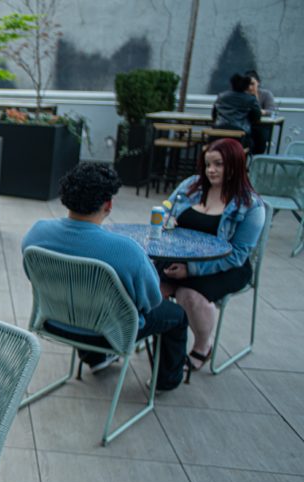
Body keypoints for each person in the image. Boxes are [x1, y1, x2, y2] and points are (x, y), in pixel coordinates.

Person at [22, 162, 189, 390]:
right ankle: (166, 381)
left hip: (54, 322)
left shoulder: (37, 233)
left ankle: (96, 358)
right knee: (177, 315)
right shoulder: (126, 251)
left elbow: (32, 276)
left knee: (83, 297)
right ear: (108, 204)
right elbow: (152, 300)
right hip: (109, 332)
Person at [162, 138, 265, 371]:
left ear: (235, 165)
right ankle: (166, 350)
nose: (211, 170)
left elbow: (237, 254)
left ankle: (201, 347)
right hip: (181, 255)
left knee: (188, 294)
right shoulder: (192, 185)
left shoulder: (251, 206)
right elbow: (165, 208)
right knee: (149, 286)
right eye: (208, 164)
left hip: (227, 266)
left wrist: (192, 270)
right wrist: (167, 219)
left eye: (218, 164)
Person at [212, 73, 262, 153]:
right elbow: (257, 117)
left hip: (218, 133)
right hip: (240, 136)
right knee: (258, 138)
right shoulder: (250, 99)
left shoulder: (221, 96)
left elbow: (214, 114)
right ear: (246, 86)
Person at [245, 70, 276, 153]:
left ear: (258, 82)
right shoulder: (242, 95)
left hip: (261, 127)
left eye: (252, 84)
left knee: (259, 138)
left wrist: (262, 112)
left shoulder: (266, 94)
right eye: (247, 84)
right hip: (246, 126)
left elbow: (272, 110)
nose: (250, 87)